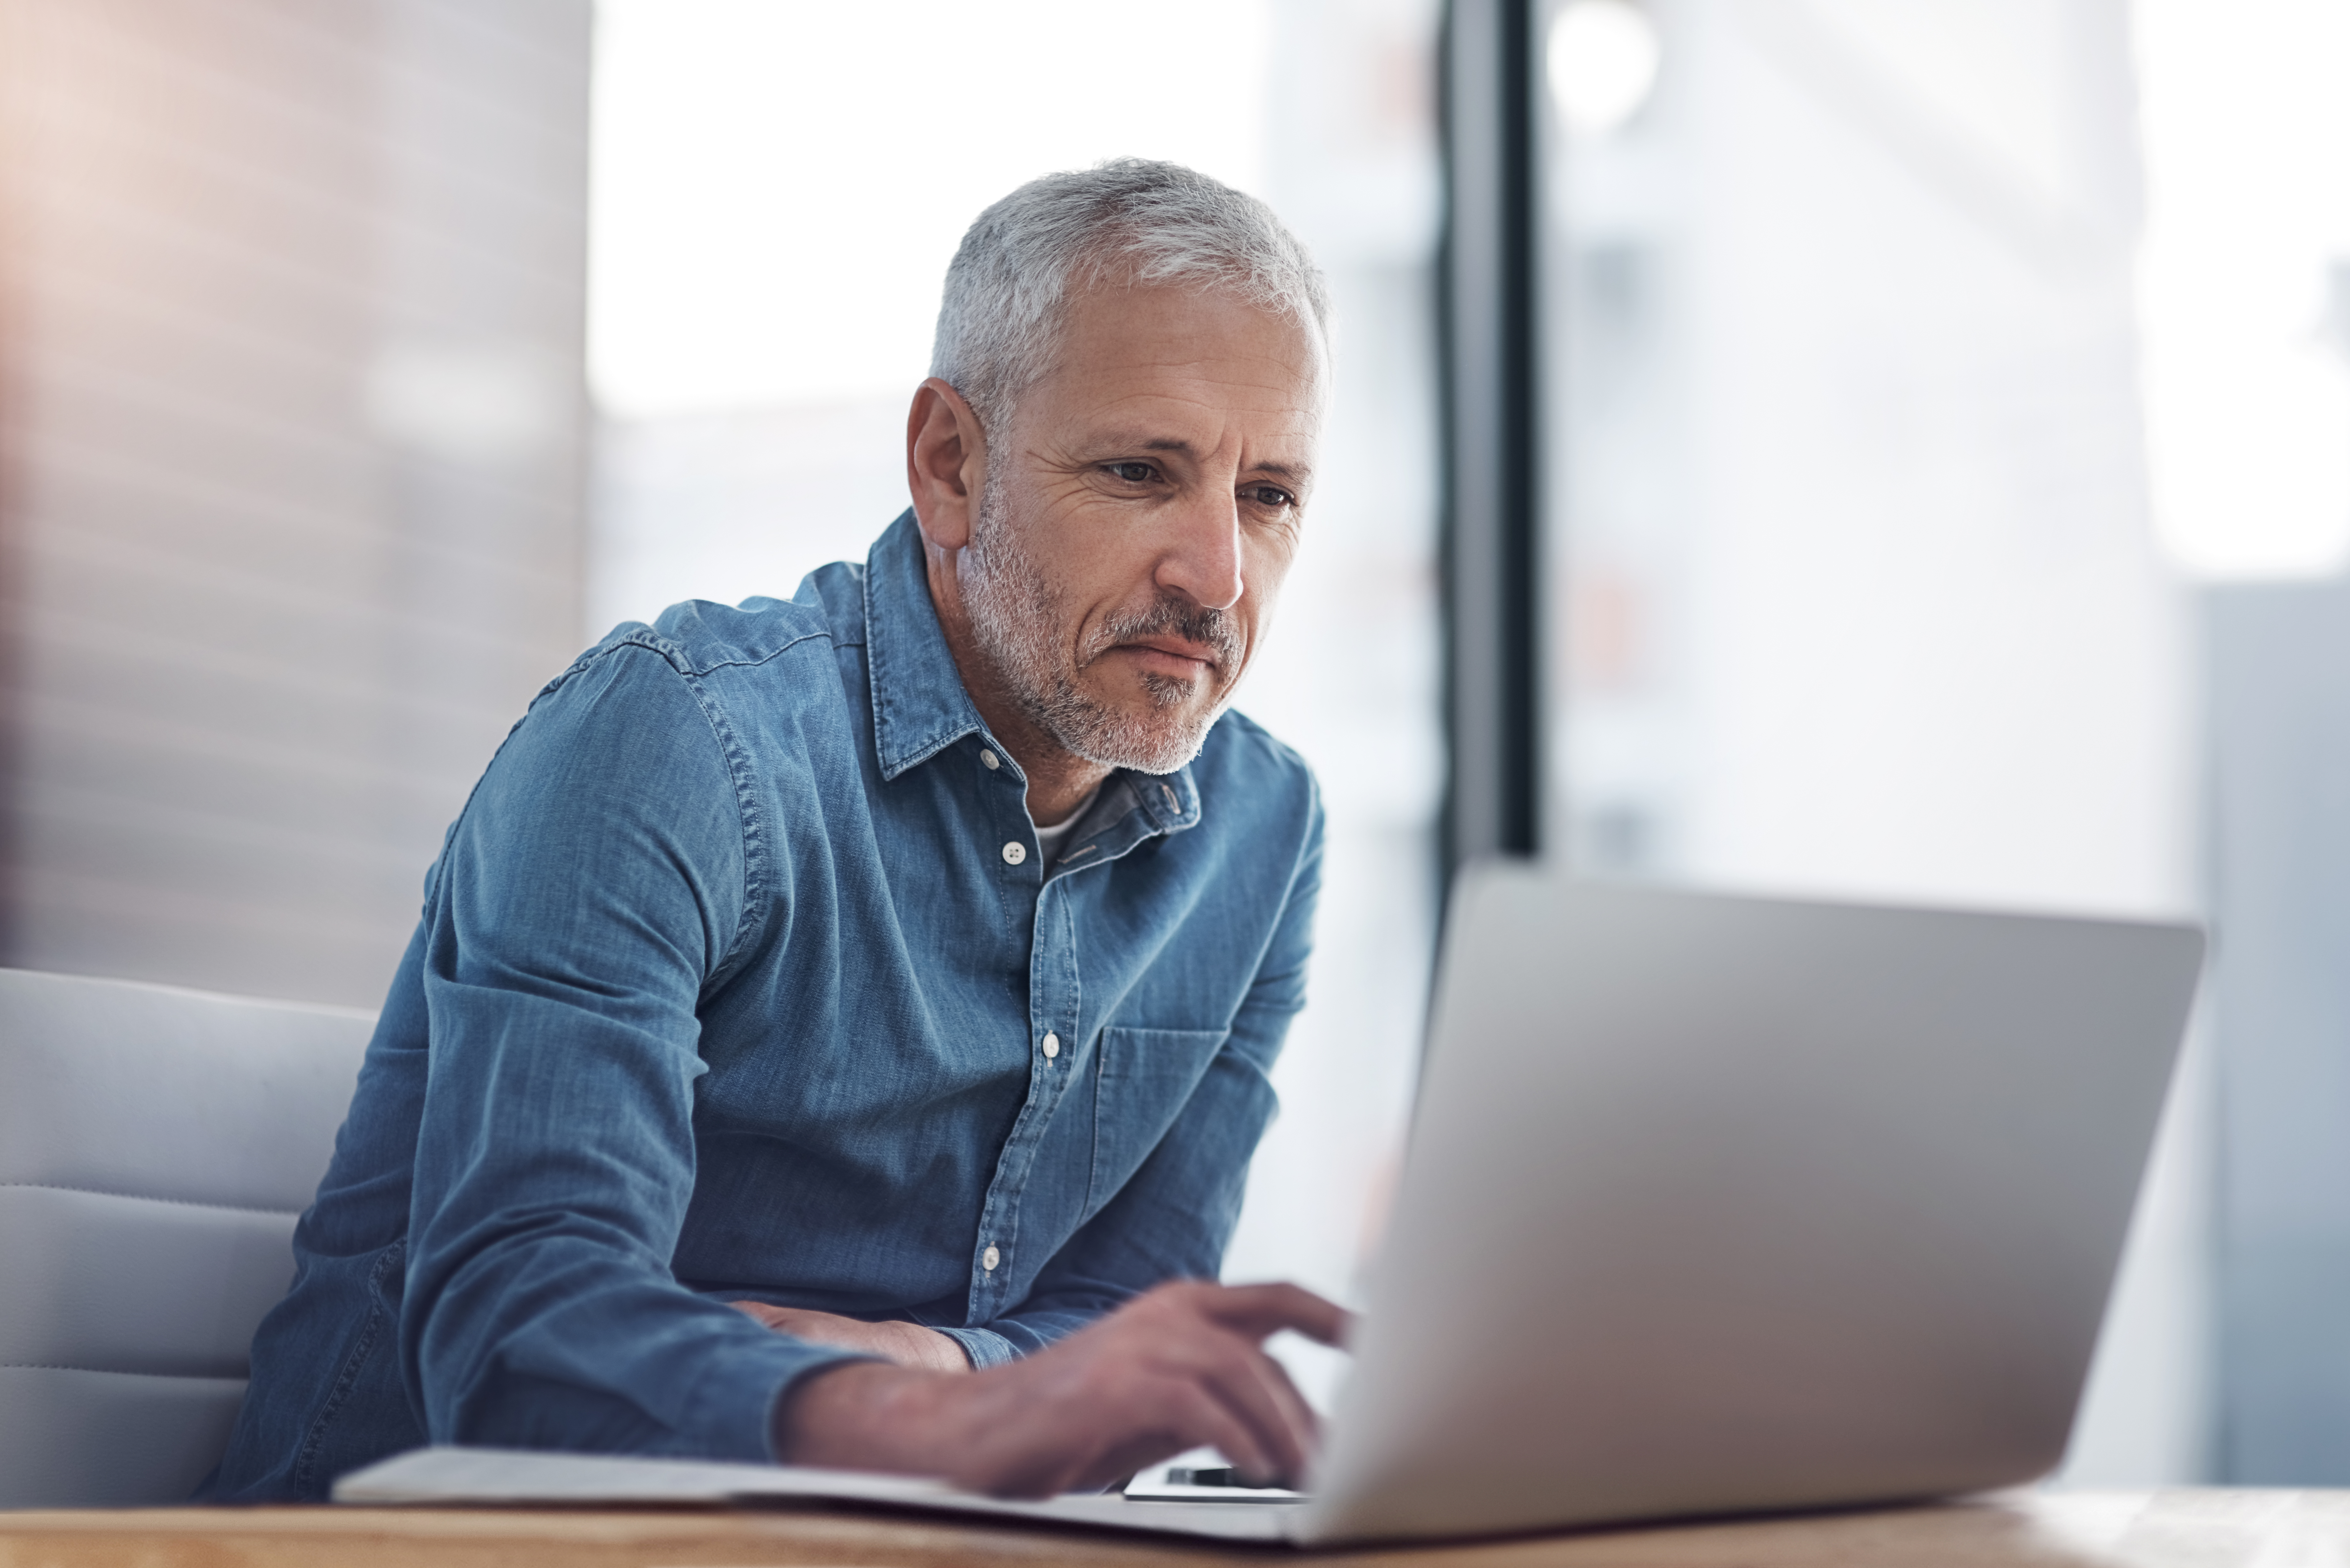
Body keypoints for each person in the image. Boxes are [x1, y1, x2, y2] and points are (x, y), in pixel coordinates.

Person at [203, 159, 1346, 1504]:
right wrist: (951, 1427)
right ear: (949, 466)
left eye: (1266, 495)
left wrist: (940, 1369)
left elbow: (1130, 1319)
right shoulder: (676, 740)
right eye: (1139, 470)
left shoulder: (1261, 834)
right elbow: (520, 1335)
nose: (1215, 575)